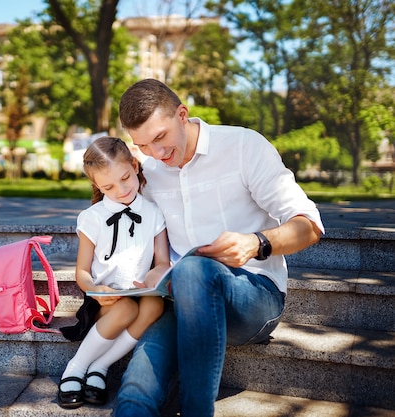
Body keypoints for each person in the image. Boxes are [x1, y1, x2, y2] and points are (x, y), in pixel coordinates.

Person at [113, 79, 325, 417]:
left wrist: (257, 243)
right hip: (180, 297)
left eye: (160, 138)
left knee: (196, 269)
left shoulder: (243, 146)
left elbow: (309, 225)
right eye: (142, 146)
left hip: (255, 295)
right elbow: (143, 231)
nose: (156, 154)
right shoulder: (151, 170)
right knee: (136, 391)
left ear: (182, 115)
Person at [57, 136, 170, 409]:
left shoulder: (154, 213)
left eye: (126, 178)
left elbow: (163, 262)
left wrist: (156, 275)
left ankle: (100, 366)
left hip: (139, 293)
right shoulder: (92, 217)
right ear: (97, 185)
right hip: (103, 301)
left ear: (134, 165)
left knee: (154, 305)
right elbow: (82, 272)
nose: (121, 190)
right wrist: (97, 291)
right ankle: (76, 368)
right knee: (125, 310)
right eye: (108, 186)